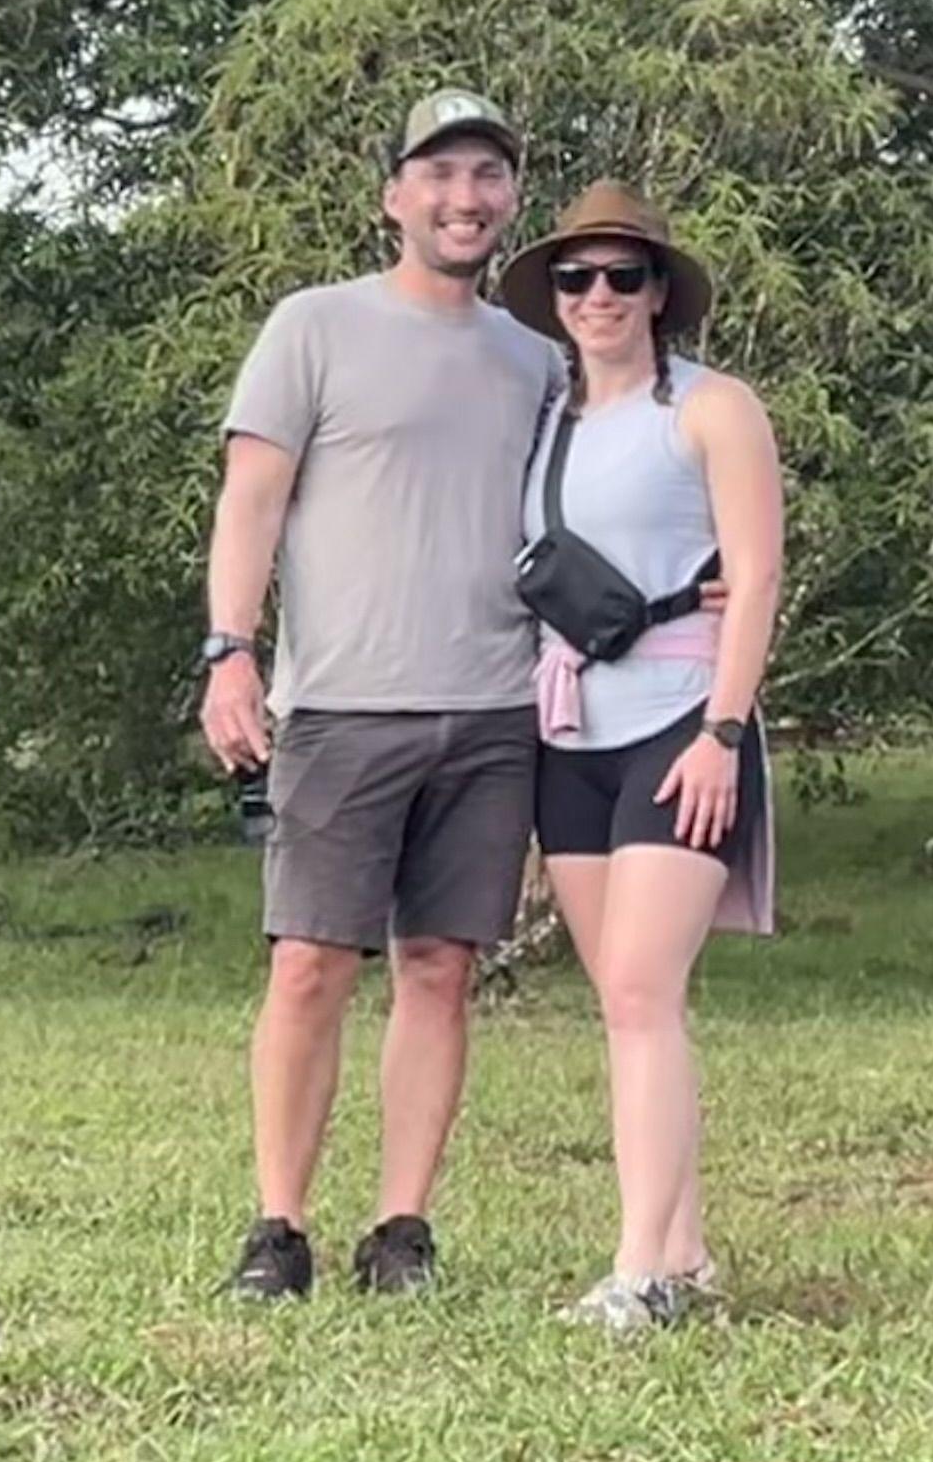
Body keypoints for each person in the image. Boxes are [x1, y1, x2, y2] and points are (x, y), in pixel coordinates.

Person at [200, 87, 560, 1300]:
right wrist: (228, 649)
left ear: (511, 198)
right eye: (441, 175)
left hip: (493, 705)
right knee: (309, 962)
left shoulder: (539, 358)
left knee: (441, 967)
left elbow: (597, 511)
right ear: (395, 197)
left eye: (488, 177)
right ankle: (278, 1227)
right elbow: (251, 499)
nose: (465, 199)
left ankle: (402, 1229)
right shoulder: (315, 326)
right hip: (344, 703)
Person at [495, 181, 786, 1333]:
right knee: (621, 1003)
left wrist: (722, 728)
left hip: (682, 722)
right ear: (555, 299)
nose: (600, 297)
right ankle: (686, 1250)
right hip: (573, 727)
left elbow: (756, 576)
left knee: (639, 989)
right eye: (577, 278)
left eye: (624, 276)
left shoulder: (713, 409)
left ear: (660, 293)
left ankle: (641, 1272)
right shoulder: (549, 423)